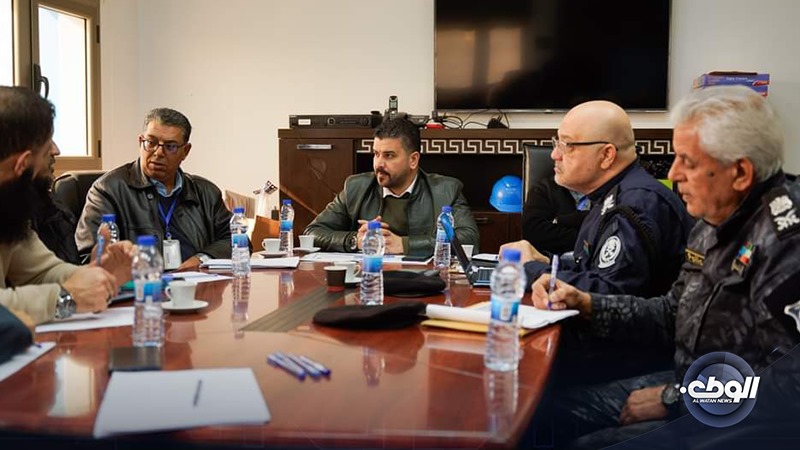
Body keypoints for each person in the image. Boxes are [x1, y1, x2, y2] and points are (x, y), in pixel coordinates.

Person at [529, 86, 800, 448]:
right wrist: (588, 303)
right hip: (690, 383)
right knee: (540, 410)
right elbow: (673, 311)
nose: (673, 173)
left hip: (734, 425)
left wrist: (676, 398)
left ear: (739, 173)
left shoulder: (786, 242)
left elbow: (791, 384)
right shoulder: (711, 221)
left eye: (688, 162)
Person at [502, 100, 694, 297]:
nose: (555, 154)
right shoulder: (608, 195)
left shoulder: (634, 205)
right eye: (556, 143)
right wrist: (548, 263)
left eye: (567, 145)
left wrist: (530, 269)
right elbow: (593, 269)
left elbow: (608, 294)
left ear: (606, 155)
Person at [0, 86, 132, 325]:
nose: (56, 150)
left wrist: (96, 275)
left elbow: (41, 272)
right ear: (22, 164)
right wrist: (65, 299)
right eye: (46, 148)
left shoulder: (8, 204)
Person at [76, 108, 233, 270]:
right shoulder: (107, 190)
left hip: (198, 282)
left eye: (170, 146)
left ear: (185, 151)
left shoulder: (205, 192)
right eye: (151, 143)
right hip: (141, 282)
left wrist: (201, 259)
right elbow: (90, 257)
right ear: (140, 142)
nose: (158, 153)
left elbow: (235, 239)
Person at [305, 118, 479, 255]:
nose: (379, 163)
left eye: (389, 155)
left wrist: (404, 244)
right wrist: (355, 240)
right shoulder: (356, 187)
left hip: (422, 281)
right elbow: (312, 232)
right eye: (376, 154)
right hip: (370, 277)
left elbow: (469, 239)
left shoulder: (446, 190)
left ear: (413, 160)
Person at [31, 140, 81, 264]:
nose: (56, 151)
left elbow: (61, 269)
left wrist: (93, 268)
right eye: (44, 140)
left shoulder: (54, 212)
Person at [522, 175, 590, 255]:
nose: (556, 165)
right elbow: (534, 234)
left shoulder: (602, 195)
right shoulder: (543, 189)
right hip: (551, 260)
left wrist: (560, 221)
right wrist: (588, 235)